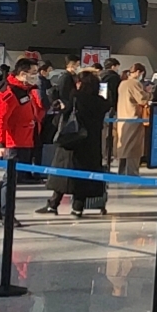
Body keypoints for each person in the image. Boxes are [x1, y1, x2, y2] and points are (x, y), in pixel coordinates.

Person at [40, 70, 111, 216]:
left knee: (63, 174)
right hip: (91, 143)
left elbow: (63, 114)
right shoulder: (101, 102)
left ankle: (53, 204)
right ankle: (78, 207)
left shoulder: (75, 97)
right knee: (84, 176)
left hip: (72, 140)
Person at [0, 58, 42, 222]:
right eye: (33, 73)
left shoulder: (25, 90)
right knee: (10, 180)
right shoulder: (10, 93)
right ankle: (7, 214)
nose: (36, 76)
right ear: (23, 73)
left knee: (11, 178)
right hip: (13, 142)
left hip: (25, 139)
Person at [115, 63, 150, 176]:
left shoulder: (122, 83)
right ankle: (132, 173)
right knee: (133, 148)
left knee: (124, 146)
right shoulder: (135, 83)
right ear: (139, 72)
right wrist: (149, 93)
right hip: (134, 118)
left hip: (122, 117)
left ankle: (122, 172)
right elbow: (142, 99)